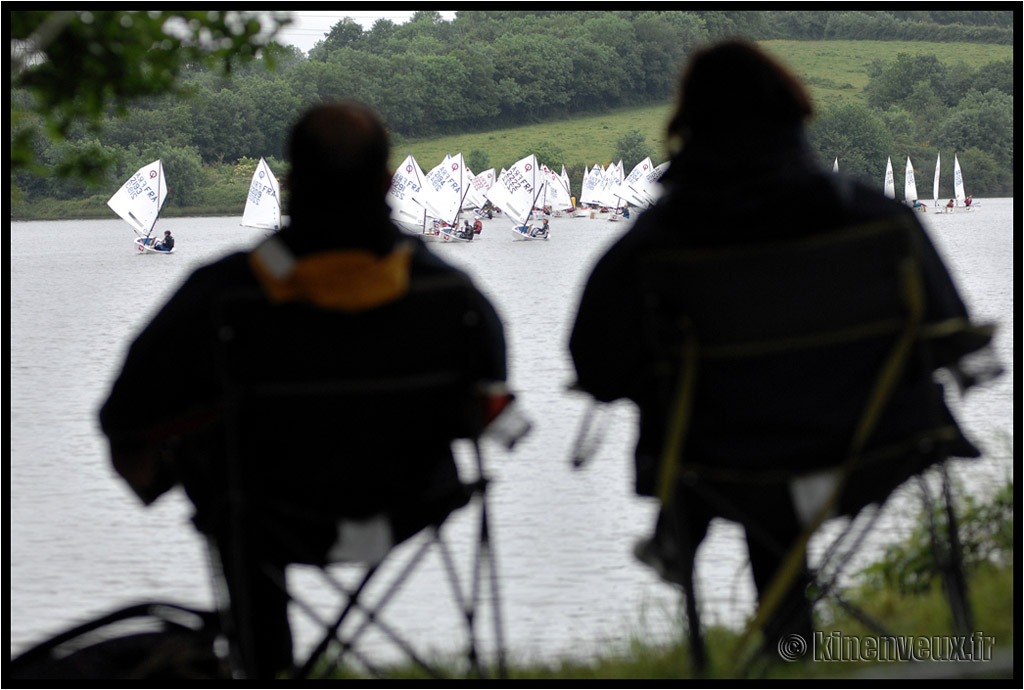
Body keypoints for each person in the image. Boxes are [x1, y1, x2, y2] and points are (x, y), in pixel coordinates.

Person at [569, 40, 997, 662]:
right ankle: (792, 648)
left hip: (721, 463)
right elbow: (950, 335)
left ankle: (770, 633)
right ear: (795, 112)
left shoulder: (654, 246)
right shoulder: (879, 220)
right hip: (875, 447)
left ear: (689, 124)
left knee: (754, 461)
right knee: (778, 448)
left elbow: (597, 365)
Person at [99, 102, 507, 678]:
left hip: (265, 516)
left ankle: (264, 667)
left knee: (228, 482)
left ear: (291, 185)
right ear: (389, 183)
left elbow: (123, 417)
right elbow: (490, 405)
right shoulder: (453, 294)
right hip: (412, 507)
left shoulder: (219, 295)